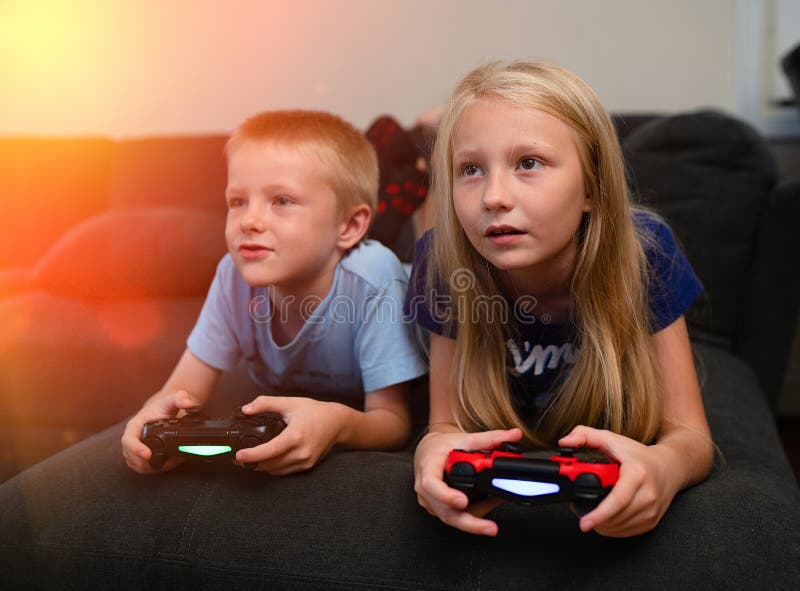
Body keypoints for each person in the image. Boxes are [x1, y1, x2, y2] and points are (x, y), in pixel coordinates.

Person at [406, 61, 714, 538]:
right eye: (470, 169)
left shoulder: (645, 251)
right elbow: (444, 423)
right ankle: (430, 139)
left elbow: (692, 437)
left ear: (591, 187)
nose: (494, 196)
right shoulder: (442, 261)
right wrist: (431, 451)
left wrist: (664, 469)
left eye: (528, 163)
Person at [122, 109, 427, 475]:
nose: (249, 220)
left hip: (407, 295)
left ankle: (413, 146)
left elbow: (391, 422)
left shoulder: (375, 281)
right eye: (237, 202)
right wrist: (151, 418)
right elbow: (180, 393)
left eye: (281, 200)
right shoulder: (232, 275)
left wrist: (337, 422)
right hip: (329, 253)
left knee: (408, 248)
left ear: (350, 225)